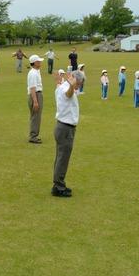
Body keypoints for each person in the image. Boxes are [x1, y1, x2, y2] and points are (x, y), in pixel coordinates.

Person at [52, 70, 84, 198]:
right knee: (62, 158)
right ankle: (58, 186)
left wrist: (59, 82)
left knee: (60, 157)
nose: (78, 87)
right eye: (79, 84)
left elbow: (62, 90)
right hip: (65, 129)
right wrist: (71, 85)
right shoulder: (67, 88)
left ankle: (58, 183)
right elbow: (68, 94)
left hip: (63, 127)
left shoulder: (61, 86)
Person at [27, 54, 44, 143]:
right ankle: (33, 136)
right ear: (34, 63)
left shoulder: (36, 71)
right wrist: (35, 101)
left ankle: (34, 135)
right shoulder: (33, 73)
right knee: (35, 117)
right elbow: (32, 88)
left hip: (37, 94)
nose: (40, 62)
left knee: (36, 116)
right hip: (36, 95)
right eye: (38, 61)